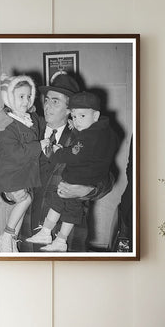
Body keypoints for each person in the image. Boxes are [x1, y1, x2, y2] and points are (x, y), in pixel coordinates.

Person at [26, 91, 118, 251]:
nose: (47, 105)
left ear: (69, 108)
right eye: (46, 100)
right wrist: (8, 194)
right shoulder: (28, 131)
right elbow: (7, 166)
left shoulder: (90, 135)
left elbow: (108, 178)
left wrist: (89, 190)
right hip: (28, 228)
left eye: (55, 101)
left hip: (69, 234)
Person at [0, 73, 50, 252]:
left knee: (25, 201)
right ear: (9, 98)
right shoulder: (8, 123)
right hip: (9, 171)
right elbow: (15, 153)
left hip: (19, 171)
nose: (26, 101)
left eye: (29, 96)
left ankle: (9, 241)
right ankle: (7, 236)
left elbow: (44, 122)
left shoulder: (29, 118)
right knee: (24, 200)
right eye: (21, 97)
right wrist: (38, 146)